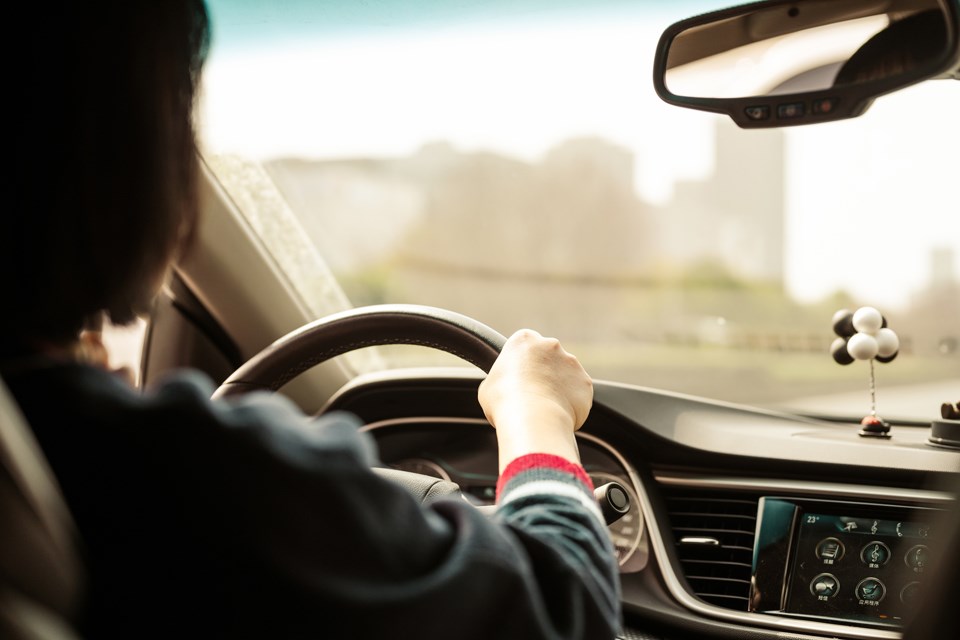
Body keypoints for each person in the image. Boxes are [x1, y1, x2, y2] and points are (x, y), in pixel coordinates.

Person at [2, 1, 621, 638]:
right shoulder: (186, 475)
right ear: (116, 159)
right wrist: (537, 408)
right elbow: (563, 605)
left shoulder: (45, 448)